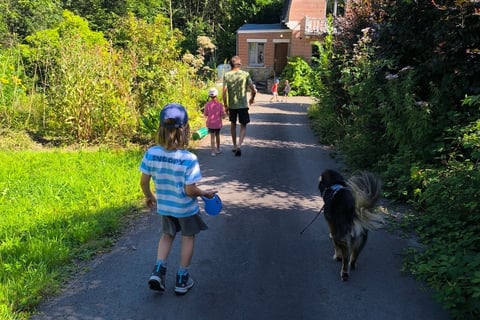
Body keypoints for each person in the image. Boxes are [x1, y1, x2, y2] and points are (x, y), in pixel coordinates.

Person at [139, 103, 217, 295]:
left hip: (165, 207)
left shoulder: (151, 153)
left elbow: (143, 181)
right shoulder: (188, 158)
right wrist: (204, 193)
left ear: (160, 129)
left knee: (167, 235)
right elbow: (190, 190)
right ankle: (182, 278)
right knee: (188, 237)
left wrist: (149, 196)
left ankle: (158, 270)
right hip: (185, 209)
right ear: (185, 130)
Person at [222, 56, 257, 156]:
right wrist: (252, 98)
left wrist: (225, 105)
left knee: (233, 125)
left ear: (231, 65)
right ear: (239, 64)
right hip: (242, 105)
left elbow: (224, 92)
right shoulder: (245, 74)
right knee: (243, 126)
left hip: (232, 105)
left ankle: (233, 145)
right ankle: (239, 145)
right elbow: (253, 89)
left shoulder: (227, 75)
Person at [204, 88, 225, 156]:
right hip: (217, 123)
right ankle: (218, 149)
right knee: (217, 135)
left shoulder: (207, 104)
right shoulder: (220, 104)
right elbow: (222, 114)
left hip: (210, 123)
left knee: (212, 137)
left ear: (209, 96)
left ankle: (213, 151)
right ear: (217, 95)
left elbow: (205, 114)